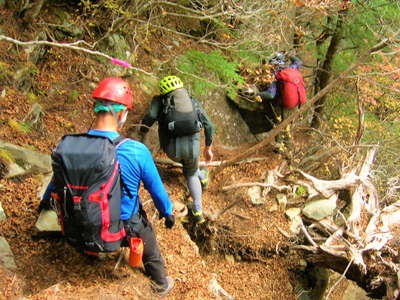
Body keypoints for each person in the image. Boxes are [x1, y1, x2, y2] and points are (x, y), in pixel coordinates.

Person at [39, 77, 175, 298]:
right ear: (122, 114)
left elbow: (56, 183)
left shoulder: (71, 146)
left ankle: (90, 252)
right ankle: (161, 284)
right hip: (124, 229)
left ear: (95, 109)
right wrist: (167, 213)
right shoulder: (135, 150)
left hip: (80, 223)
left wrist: (45, 203)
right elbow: (157, 191)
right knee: (148, 240)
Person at [139, 76, 215, 225]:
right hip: (192, 149)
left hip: (171, 150)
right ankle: (198, 210)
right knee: (191, 173)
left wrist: (142, 130)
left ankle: (202, 175)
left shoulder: (159, 100)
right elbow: (209, 126)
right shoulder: (192, 101)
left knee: (190, 167)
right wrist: (208, 148)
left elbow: (150, 116)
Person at [257, 52, 305, 147]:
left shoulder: (276, 75)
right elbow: (299, 62)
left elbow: (271, 95)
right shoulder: (292, 68)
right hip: (295, 103)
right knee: (289, 126)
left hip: (283, 105)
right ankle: (287, 149)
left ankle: (281, 149)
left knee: (280, 126)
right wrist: (290, 55)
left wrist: (257, 94)